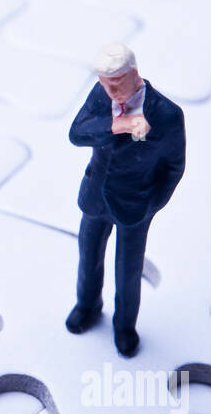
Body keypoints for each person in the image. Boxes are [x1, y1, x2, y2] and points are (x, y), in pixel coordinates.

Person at [66, 43, 185, 357]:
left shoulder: (167, 114)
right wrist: (115, 125)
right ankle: (87, 306)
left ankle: (124, 327)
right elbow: (76, 133)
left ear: (134, 73)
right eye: (106, 83)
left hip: (136, 206)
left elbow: (174, 167)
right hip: (95, 198)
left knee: (128, 271)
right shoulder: (100, 95)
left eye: (117, 82)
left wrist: (152, 205)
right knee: (88, 258)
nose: (112, 91)